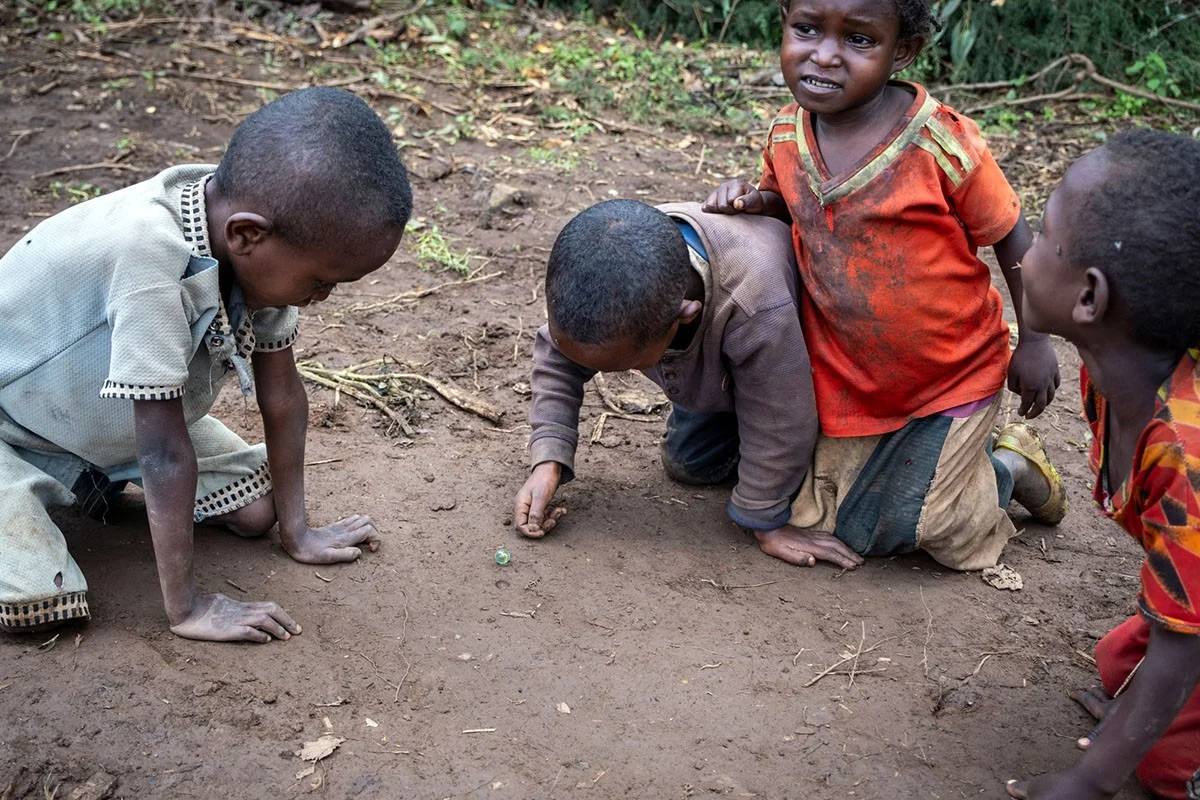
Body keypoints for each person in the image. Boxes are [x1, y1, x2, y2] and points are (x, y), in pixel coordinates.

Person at [0, 87, 412, 643]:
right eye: (321, 281)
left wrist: (298, 530)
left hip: (103, 423)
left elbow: (283, 394)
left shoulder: (249, 244)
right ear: (247, 234)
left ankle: (89, 479)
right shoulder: (149, 257)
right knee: (41, 600)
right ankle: (57, 481)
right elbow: (164, 450)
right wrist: (187, 608)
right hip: (13, 423)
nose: (325, 296)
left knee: (255, 511)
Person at [702, 0, 1065, 570]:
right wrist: (751, 200)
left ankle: (1009, 467)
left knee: (920, 525)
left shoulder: (939, 145)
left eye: (859, 40)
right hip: (848, 374)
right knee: (820, 514)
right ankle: (927, 468)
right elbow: (788, 207)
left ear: (903, 50)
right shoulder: (785, 135)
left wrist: (1036, 340)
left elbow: (1011, 232)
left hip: (951, 373)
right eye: (806, 29)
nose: (824, 54)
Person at [1003, 130, 1200, 799]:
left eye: (1046, 237)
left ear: (1089, 298)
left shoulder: (1186, 454)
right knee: (1122, 661)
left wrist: (1094, 775)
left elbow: (1185, 643)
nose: (1023, 258)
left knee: (1164, 761)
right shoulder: (1112, 377)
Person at [514, 199, 863, 570]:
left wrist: (767, 518)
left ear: (684, 316)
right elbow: (558, 358)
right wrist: (548, 461)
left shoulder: (754, 306)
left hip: (799, 373)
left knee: (781, 454)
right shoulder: (618, 264)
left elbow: (783, 419)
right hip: (725, 375)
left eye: (626, 366)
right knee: (689, 463)